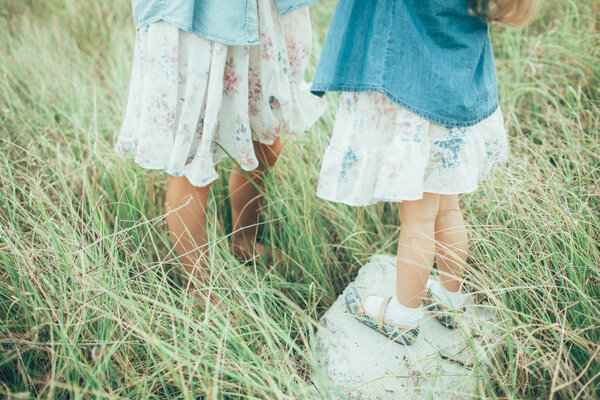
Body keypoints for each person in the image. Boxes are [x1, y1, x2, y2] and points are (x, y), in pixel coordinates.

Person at [311, 0, 538, 343]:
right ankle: (450, 298)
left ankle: (403, 314)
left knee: (417, 220)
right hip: (457, 95)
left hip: (416, 98)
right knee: (448, 208)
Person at [116, 0, 326, 301]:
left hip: (259, 12)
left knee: (266, 139)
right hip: (193, 18)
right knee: (191, 161)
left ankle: (244, 241)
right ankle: (202, 289)